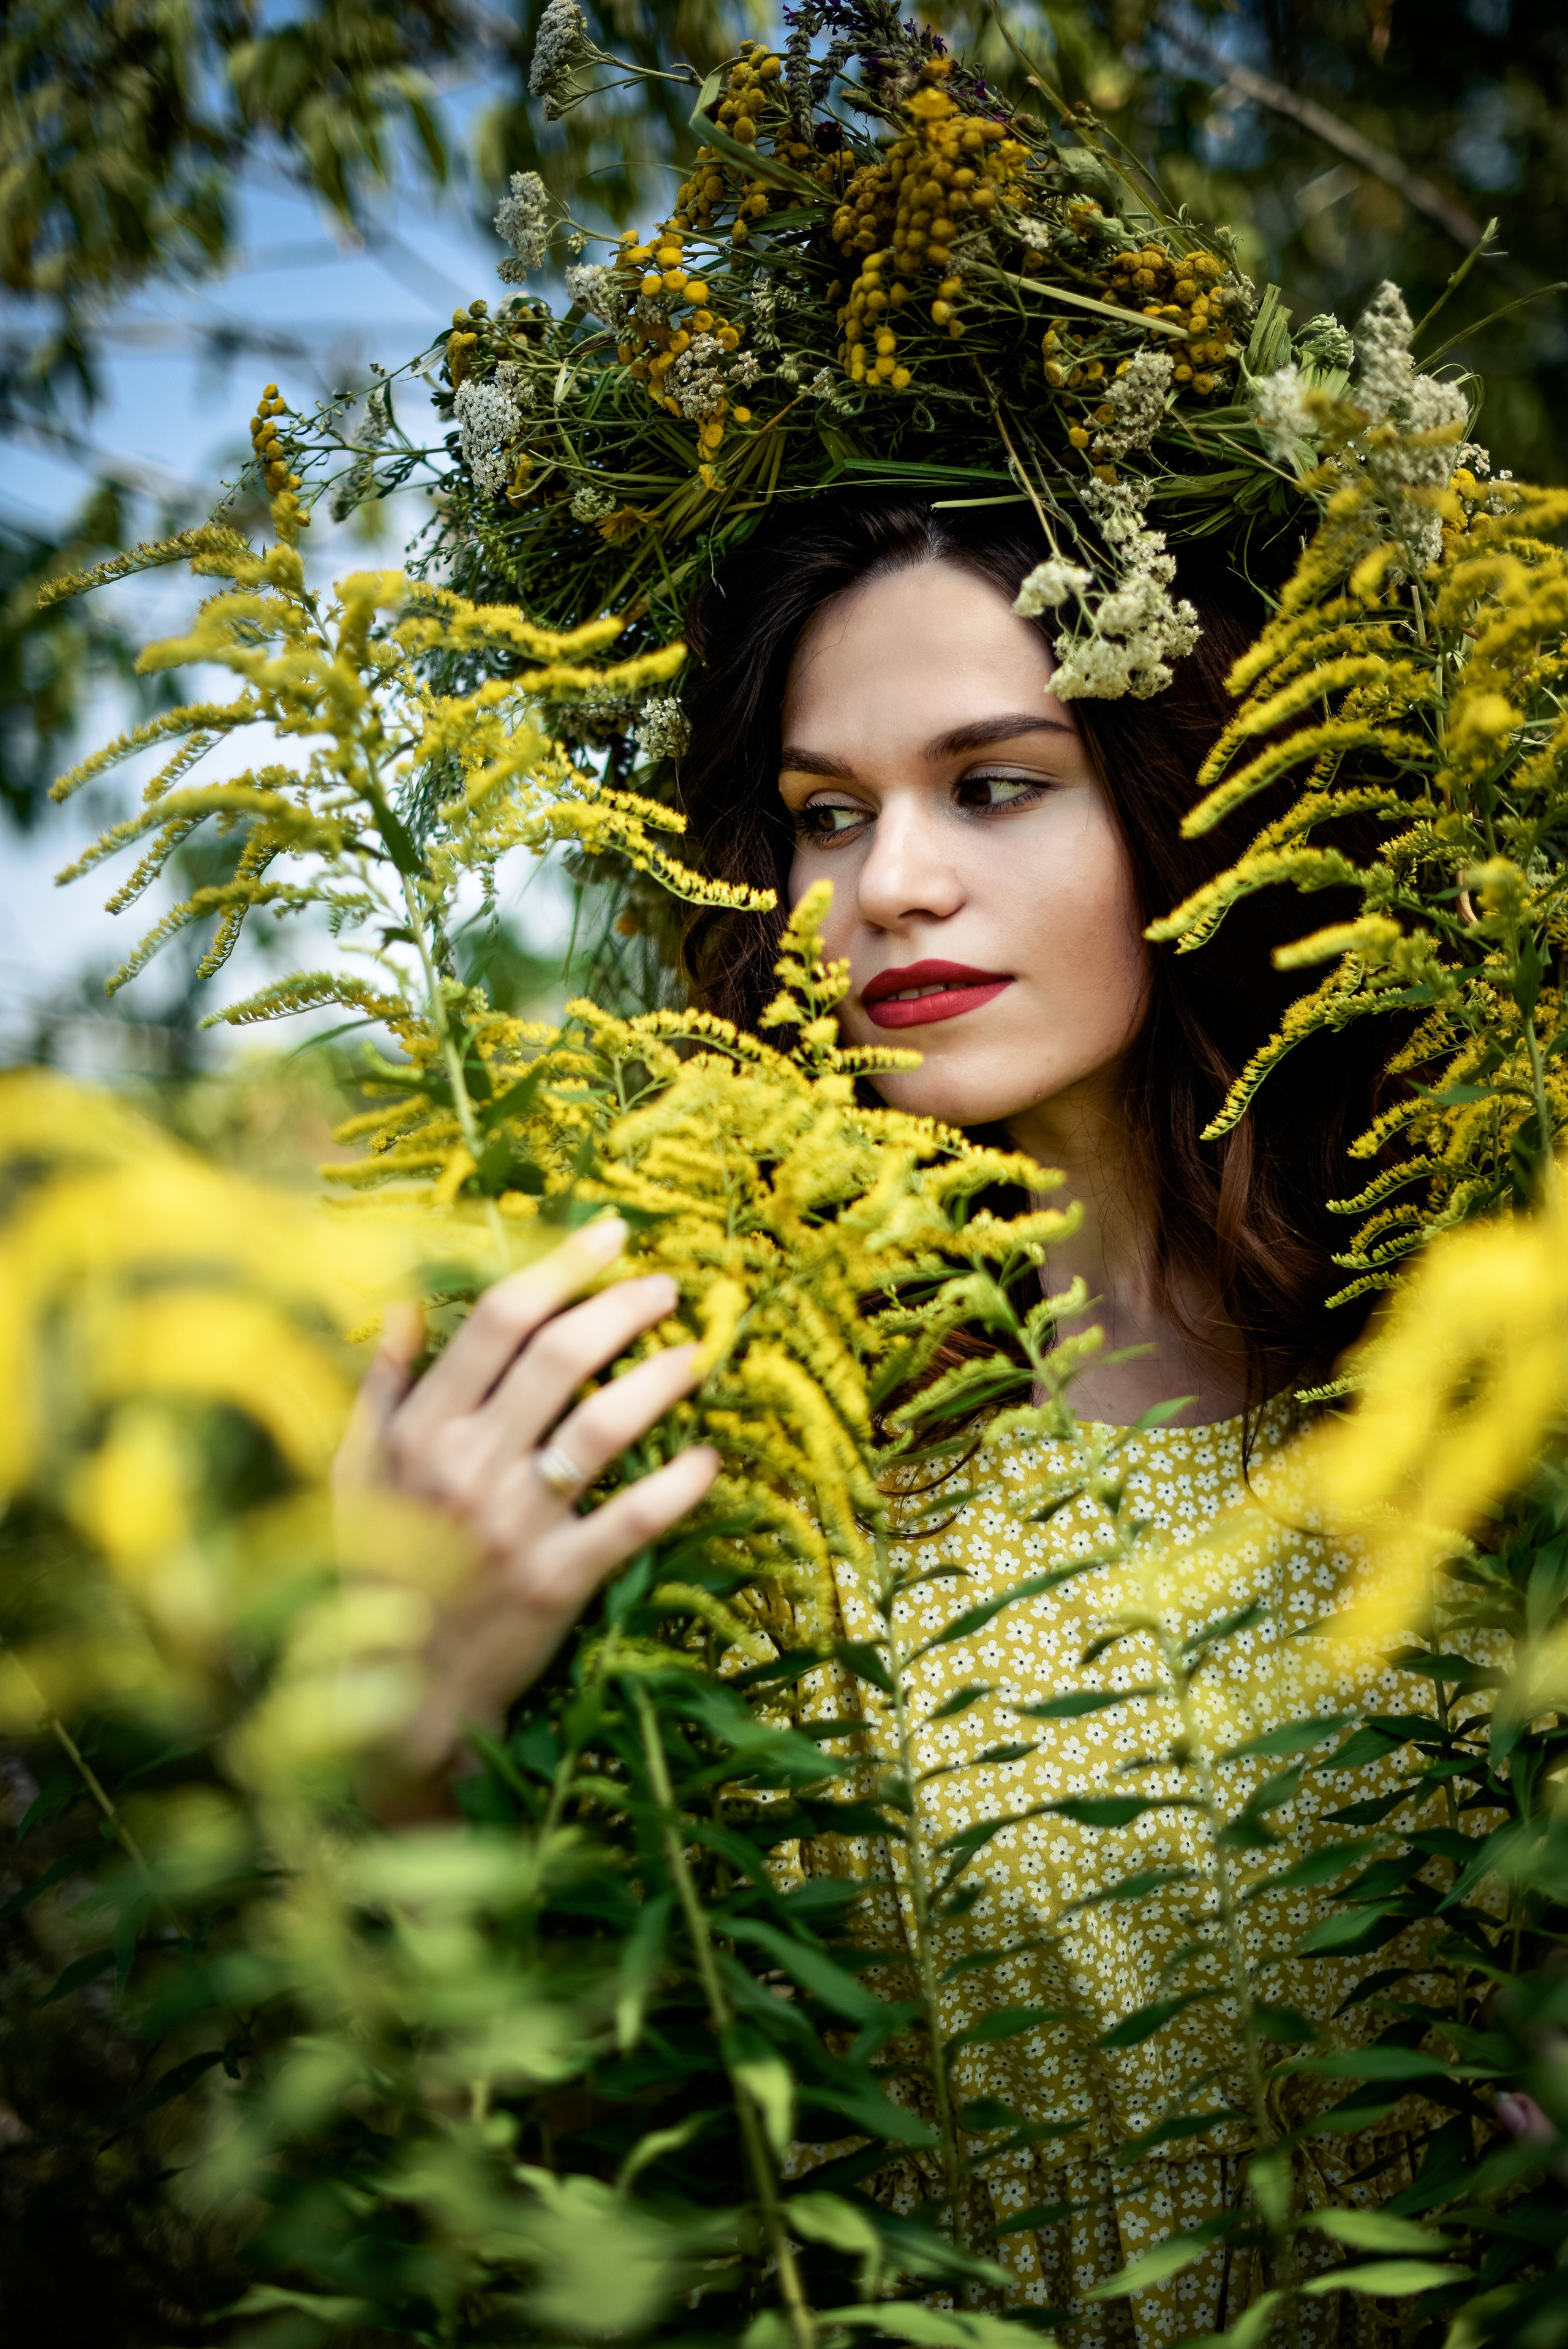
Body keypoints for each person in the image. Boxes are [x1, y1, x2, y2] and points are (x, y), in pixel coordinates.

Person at [347, 492, 1423, 2342]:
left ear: (1195, 793)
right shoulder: (704, 1441)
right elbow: (509, 2188)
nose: (889, 884)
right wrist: (407, 1729)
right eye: (827, 814)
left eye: (995, 785)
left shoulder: (1473, 1348)